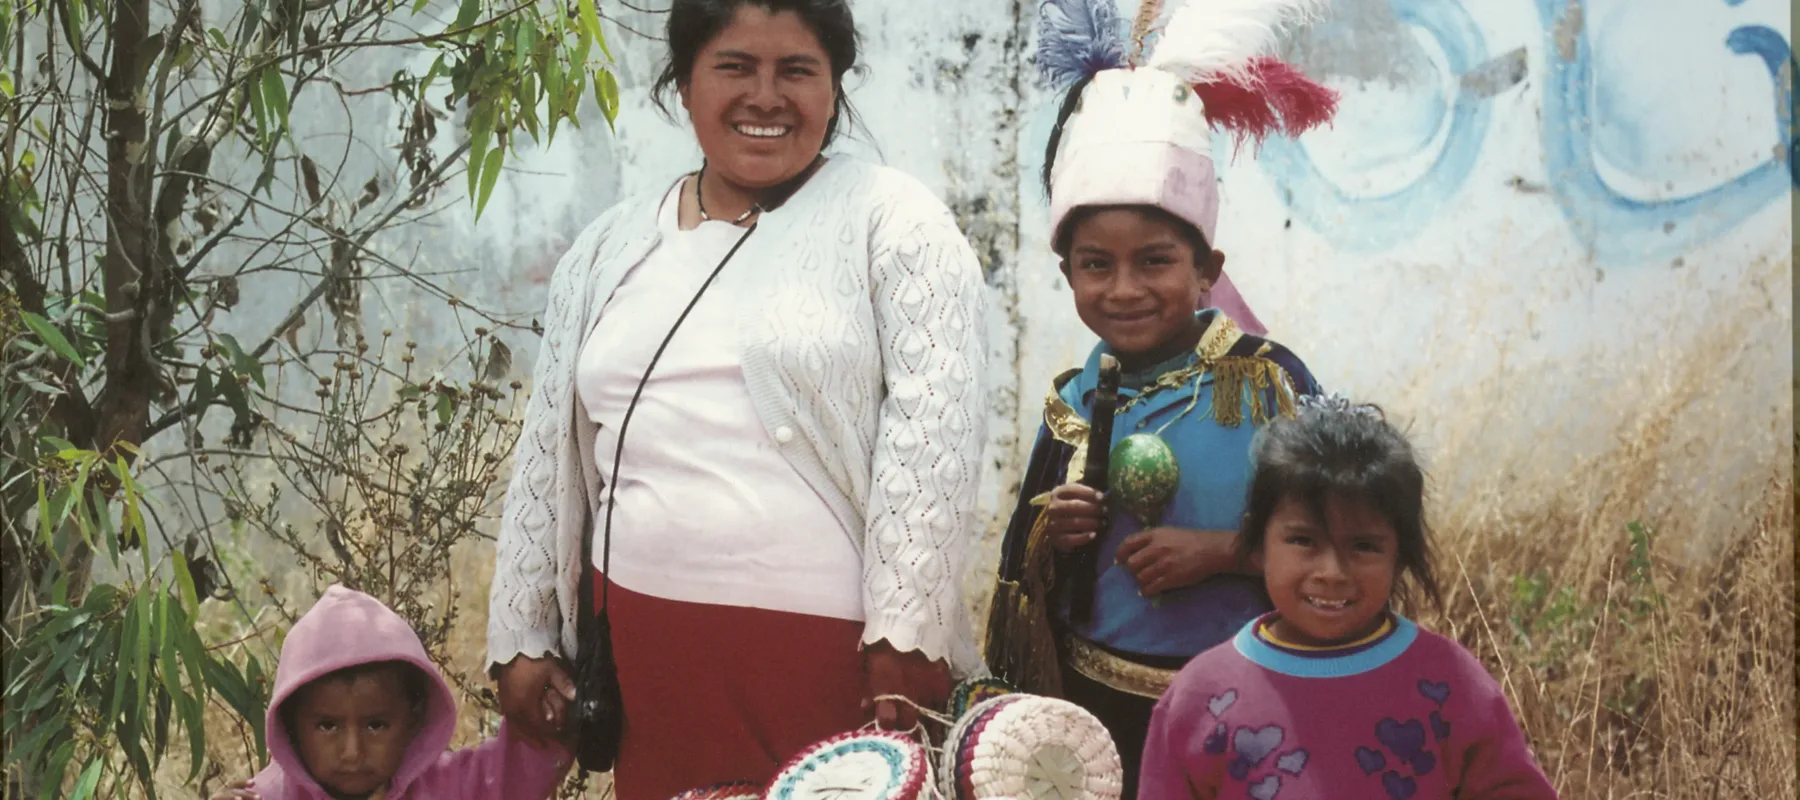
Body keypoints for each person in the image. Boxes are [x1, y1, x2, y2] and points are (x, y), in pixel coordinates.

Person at [483, 0, 989, 796]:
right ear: (684, 84)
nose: (766, 96)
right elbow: (547, 447)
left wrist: (909, 627)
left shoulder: (895, 222)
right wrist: (521, 629)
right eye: (734, 67)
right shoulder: (609, 246)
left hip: (837, 656)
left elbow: (934, 433)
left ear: (834, 87)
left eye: (796, 70)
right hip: (650, 649)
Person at [984, 2, 1338, 795]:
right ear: (1066, 271)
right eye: (1094, 265)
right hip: (1097, 713)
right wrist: (1054, 536)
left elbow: (1351, 531)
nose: (1124, 289)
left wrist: (1228, 553)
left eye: (1155, 261)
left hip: (1252, 710)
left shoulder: (1269, 382)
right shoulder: (1073, 404)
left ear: (1207, 267)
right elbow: (1025, 581)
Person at [1137, 395, 1561, 799]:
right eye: (1303, 540)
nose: (1332, 573)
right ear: (1257, 543)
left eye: (1363, 546)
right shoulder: (1200, 695)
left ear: (1400, 556)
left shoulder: (1451, 685)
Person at [210, 585, 570, 800]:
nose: (352, 752)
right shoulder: (271, 797)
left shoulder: (448, 788)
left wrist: (556, 705)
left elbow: (516, 769)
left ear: (413, 718)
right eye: (327, 726)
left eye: (376, 725)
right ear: (290, 723)